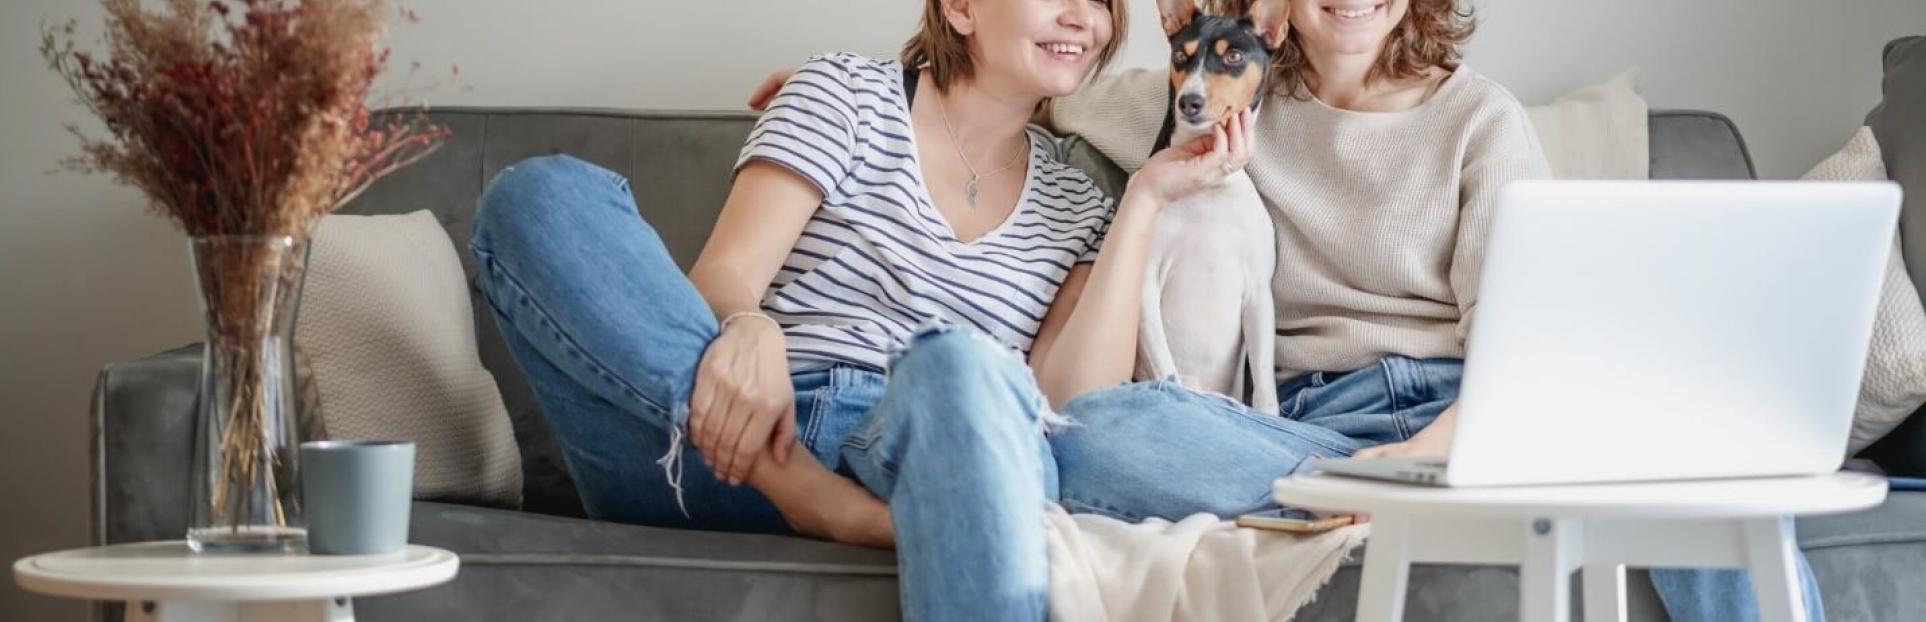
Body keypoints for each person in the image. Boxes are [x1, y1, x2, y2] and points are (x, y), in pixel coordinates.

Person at [468, 0, 1257, 619]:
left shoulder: (1083, 201)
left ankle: (858, 503)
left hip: (920, 448)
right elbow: (726, 278)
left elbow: (1070, 404)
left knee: (961, 365)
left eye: (1100, 1)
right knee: (542, 197)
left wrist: (1146, 198)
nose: (1085, 15)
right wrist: (747, 327)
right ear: (961, 8)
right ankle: (812, 499)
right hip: (722, 432)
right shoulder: (844, 92)